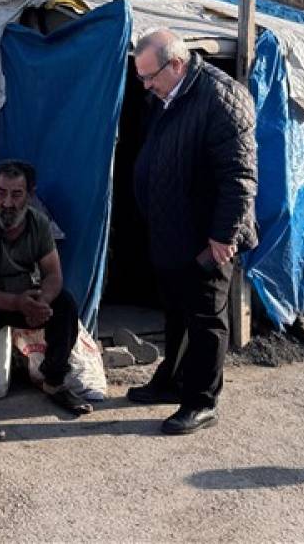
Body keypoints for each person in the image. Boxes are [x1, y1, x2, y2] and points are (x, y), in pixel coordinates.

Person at [127, 28, 258, 435]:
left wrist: (222, 237)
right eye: (141, 78)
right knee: (176, 312)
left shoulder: (222, 98)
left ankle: (202, 401)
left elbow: (239, 177)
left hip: (208, 237)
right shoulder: (168, 96)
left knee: (206, 318)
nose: (145, 86)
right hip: (173, 229)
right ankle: (172, 381)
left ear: (177, 65)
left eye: (150, 77)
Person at [0, 160, 92, 442]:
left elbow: (53, 275)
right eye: (1, 193)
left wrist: (41, 303)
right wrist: (19, 304)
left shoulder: (39, 224)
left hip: (16, 293)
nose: (6, 203)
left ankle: (54, 381)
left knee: (65, 304)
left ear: (30, 194)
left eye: (16, 194)